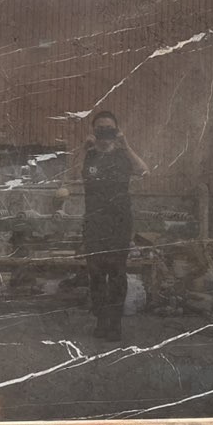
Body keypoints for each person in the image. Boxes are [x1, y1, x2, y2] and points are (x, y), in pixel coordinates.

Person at [81, 111, 148, 341]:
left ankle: (115, 324)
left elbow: (144, 170)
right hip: (94, 223)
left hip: (119, 223)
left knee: (117, 273)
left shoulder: (122, 155)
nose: (104, 132)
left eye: (109, 128)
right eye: (100, 128)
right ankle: (101, 321)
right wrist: (83, 149)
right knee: (96, 274)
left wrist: (126, 145)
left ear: (116, 130)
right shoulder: (89, 155)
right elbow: (70, 176)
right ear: (94, 131)